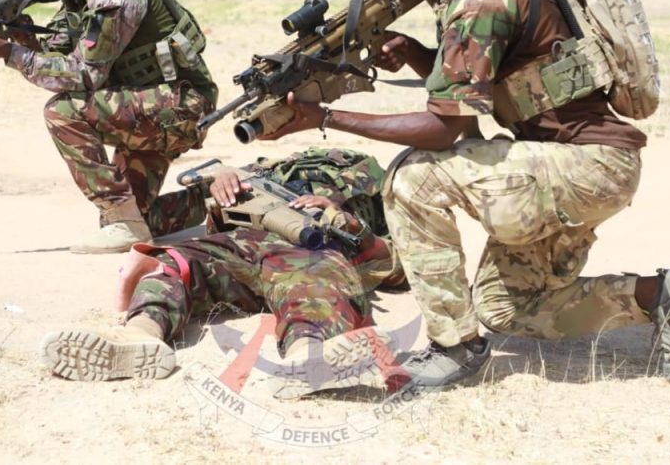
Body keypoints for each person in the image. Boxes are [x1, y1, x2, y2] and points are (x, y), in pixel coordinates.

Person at [261, 0, 670, 391]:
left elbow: (448, 129)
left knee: (413, 177)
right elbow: (489, 96)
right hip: (587, 162)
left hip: (586, 165)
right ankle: (661, 297)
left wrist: (325, 116)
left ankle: (454, 348)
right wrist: (416, 54)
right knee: (506, 308)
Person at [40, 147, 408, 397]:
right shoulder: (267, 173)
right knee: (175, 264)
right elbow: (156, 215)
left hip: (310, 253)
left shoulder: (376, 198)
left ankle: (307, 357)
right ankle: (139, 338)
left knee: (314, 288)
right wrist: (218, 186)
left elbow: (398, 269)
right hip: (239, 245)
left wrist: (349, 223)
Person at [0, 0, 218, 254]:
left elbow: (83, 75)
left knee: (64, 111)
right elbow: (60, 53)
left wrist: (8, 53)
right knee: (142, 220)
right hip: (147, 106)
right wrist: (23, 36)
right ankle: (215, 197)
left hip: (180, 107)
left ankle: (124, 222)